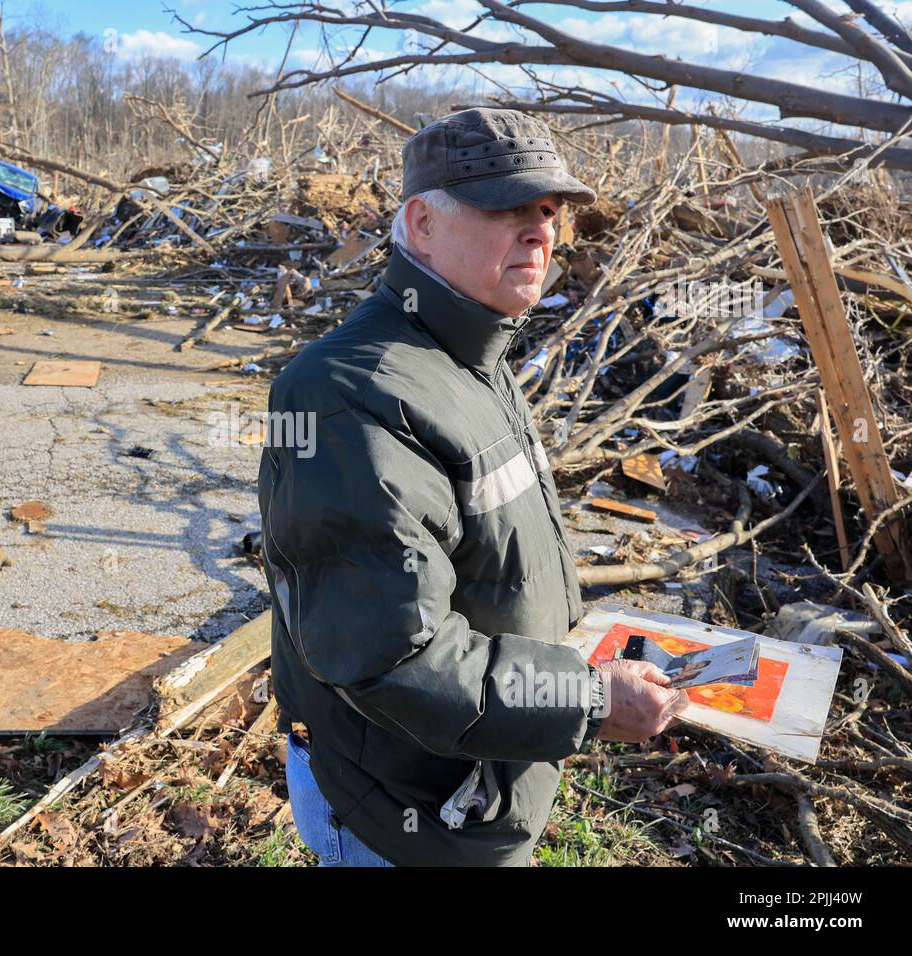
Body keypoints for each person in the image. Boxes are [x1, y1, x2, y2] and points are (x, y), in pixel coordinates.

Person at [257, 108, 687, 867]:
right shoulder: (350, 395)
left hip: (469, 785)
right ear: (421, 224)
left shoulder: (471, 352)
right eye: (506, 208)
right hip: (402, 816)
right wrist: (588, 699)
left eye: (548, 212)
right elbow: (394, 658)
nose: (540, 232)